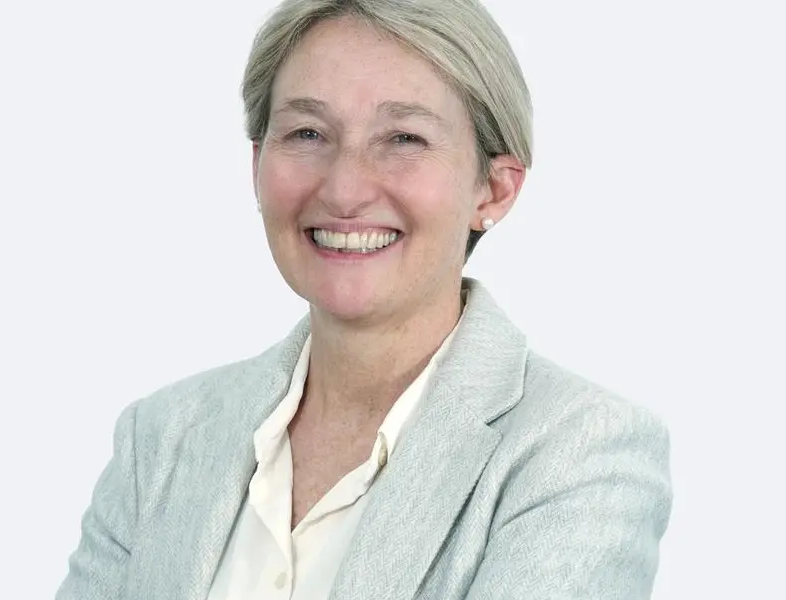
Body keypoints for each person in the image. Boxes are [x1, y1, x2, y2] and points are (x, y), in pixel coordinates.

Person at [56, 0, 673, 598]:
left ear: (493, 188)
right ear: (257, 165)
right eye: (307, 133)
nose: (345, 189)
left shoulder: (584, 453)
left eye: (403, 138)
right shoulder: (159, 439)